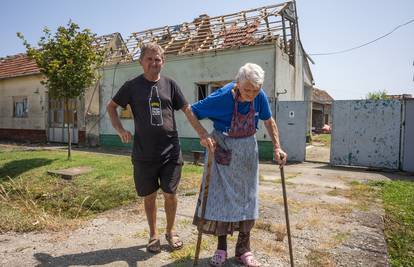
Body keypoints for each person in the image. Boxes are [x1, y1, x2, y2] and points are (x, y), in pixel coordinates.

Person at [185, 63, 287, 267]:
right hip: (222, 148)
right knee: (221, 198)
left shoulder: (259, 96)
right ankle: (221, 248)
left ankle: (243, 250)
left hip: (248, 150)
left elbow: (268, 121)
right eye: (247, 89)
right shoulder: (222, 97)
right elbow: (190, 110)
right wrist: (203, 135)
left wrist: (277, 147)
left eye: (255, 90)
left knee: (248, 198)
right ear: (237, 83)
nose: (251, 94)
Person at [107, 43, 189, 253]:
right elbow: (111, 107)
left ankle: (170, 231)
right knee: (150, 196)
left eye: (158, 59)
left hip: (171, 150)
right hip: (144, 153)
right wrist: (119, 129)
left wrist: (203, 132)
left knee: (170, 194)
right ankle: (153, 235)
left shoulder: (170, 85)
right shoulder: (132, 86)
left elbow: (187, 109)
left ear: (163, 62)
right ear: (141, 62)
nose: (154, 63)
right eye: (150, 59)